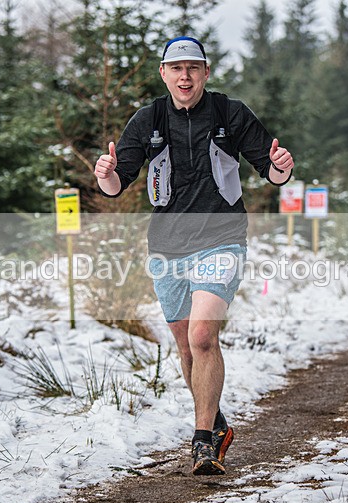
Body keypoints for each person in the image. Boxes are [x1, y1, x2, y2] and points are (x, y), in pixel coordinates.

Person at [94, 36, 294, 475]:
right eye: (176, 68)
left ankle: (202, 440)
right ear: (164, 74)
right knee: (186, 347)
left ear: (205, 72)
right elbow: (117, 183)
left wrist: (282, 165)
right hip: (167, 245)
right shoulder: (148, 119)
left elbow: (272, 171)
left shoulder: (230, 113)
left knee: (204, 336)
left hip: (222, 237)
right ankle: (217, 423)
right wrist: (106, 175)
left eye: (193, 68)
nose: (185, 76)